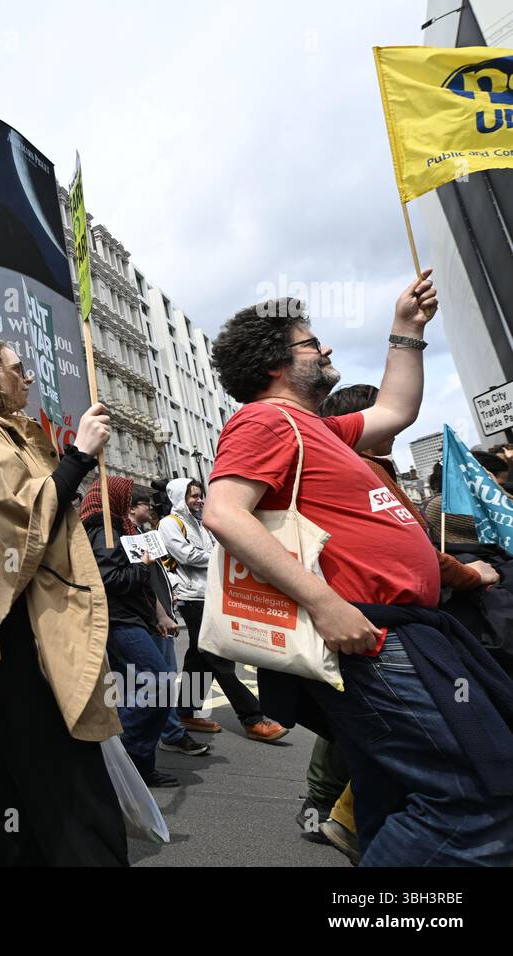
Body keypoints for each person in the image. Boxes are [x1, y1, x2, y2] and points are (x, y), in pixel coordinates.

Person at [204, 276, 513, 866]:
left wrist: (408, 329)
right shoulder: (263, 422)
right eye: (310, 343)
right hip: (373, 637)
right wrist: (325, 603)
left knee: (396, 796)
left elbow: (395, 409)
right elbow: (223, 512)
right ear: (275, 363)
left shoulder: (314, 427)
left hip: (401, 631)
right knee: (476, 794)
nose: (324, 351)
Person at [0, 336, 127, 866]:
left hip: (25, 632)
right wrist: (79, 456)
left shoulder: (5, 436)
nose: (30, 377)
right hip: (22, 638)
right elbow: (15, 532)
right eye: (18, 369)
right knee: (73, 793)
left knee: (25, 792)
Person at [83, 477, 200, 785]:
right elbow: (111, 579)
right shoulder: (104, 531)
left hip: (135, 618)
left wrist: (157, 611)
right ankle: (120, 753)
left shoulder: (120, 527)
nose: (144, 504)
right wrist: (143, 565)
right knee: (159, 683)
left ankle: (138, 765)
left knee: (136, 690)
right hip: (120, 621)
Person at [158, 478, 288, 743]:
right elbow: (187, 556)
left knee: (199, 657)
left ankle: (184, 710)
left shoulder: (199, 522)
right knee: (218, 655)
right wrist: (222, 553)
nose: (198, 500)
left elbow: (207, 549)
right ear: (179, 497)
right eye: (193, 496)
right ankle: (252, 717)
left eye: (199, 495)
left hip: (209, 594)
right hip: (191, 598)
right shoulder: (169, 523)